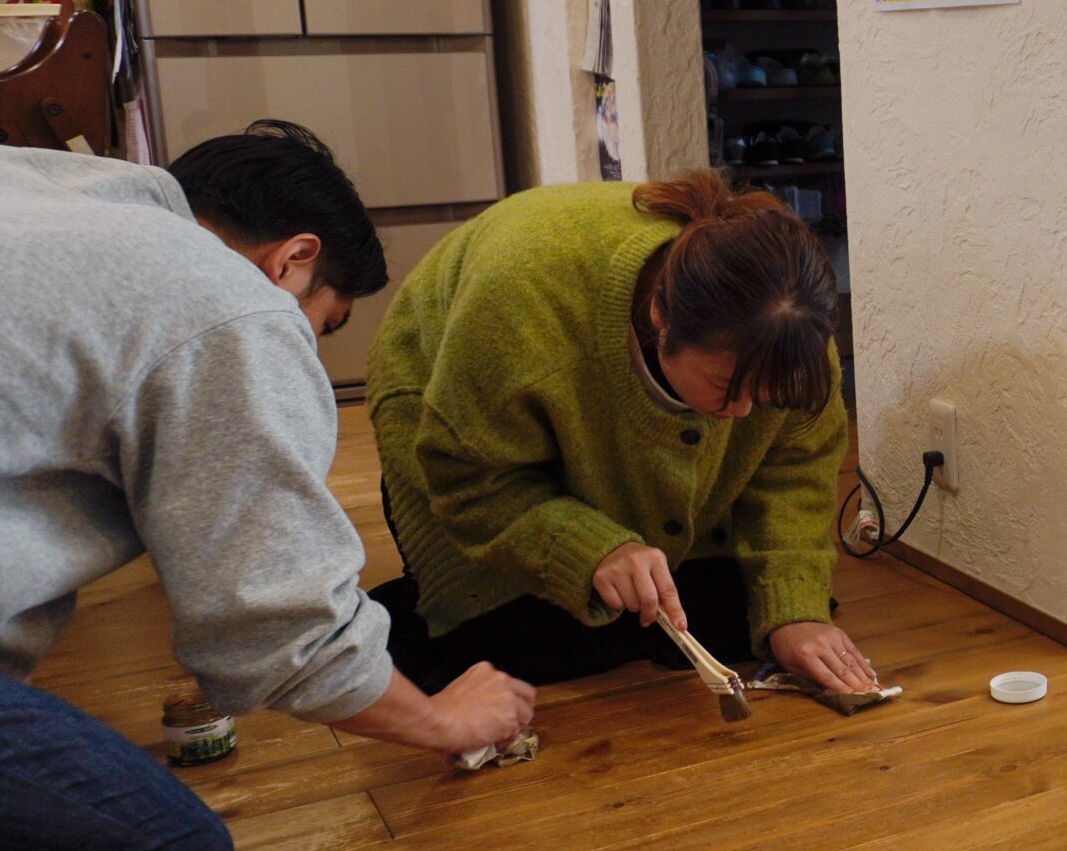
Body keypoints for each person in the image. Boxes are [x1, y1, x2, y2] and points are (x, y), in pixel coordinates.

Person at [0, 124, 536, 851]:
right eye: (324, 323)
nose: (305, 347)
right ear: (291, 261)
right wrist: (442, 720)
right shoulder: (226, 300)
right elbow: (286, 629)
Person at [365, 172, 878, 698]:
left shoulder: (790, 326)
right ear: (660, 316)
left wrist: (794, 614)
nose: (743, 414)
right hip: (450, 435)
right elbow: (471, 481)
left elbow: (793, 472)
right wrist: (593, 549)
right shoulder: (521, 300)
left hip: (573, 440)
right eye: (727, 387)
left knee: (718, 616)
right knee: (523, 639)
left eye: (767, 396)